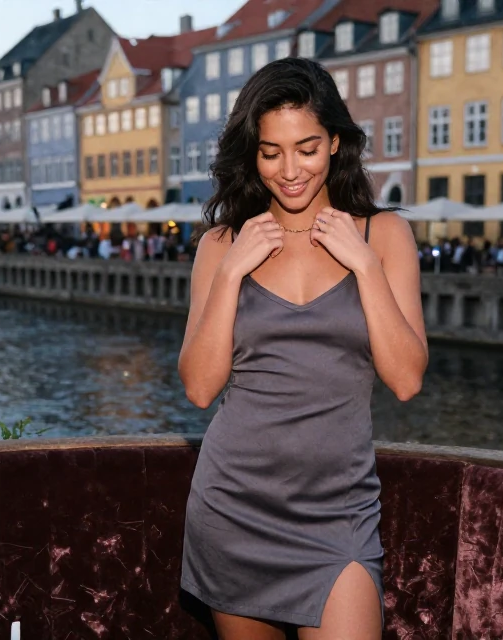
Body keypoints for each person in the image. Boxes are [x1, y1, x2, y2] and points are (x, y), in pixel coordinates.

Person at [177, 57, 427, 639]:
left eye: (307, 148)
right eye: (271, 152)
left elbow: (407, 379)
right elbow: (198, 387)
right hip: (233, 508)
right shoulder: (222, 244)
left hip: (337, 514)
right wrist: (232, 270)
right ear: (253, 154)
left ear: (336, 142)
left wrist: (364, 266)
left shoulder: (382, 236)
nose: (290, 170)